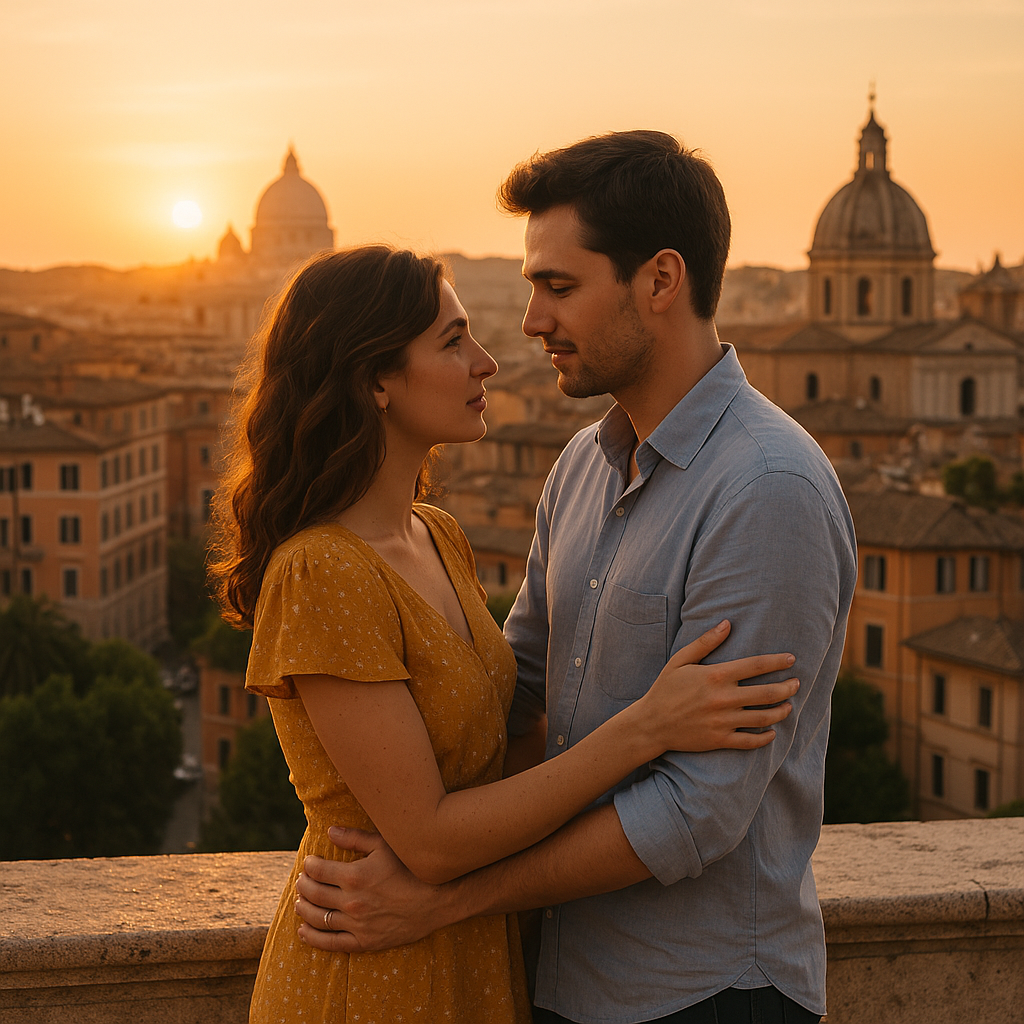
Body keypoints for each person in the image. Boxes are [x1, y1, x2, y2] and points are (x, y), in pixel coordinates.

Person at [294, 132, 858, 1024]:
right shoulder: (581, 469)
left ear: (661, 281)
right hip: (561, 978)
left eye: (558, 287)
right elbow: (513, 693)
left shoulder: (767, 491)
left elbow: (698, 812)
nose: (529, 322)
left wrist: (447, 896)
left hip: (707, 993)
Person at [208, 243, 802, 1024]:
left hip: (468, 946)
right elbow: (429, 841)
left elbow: (511, 724)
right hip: (370, 961)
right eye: (453, 342)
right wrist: (648, 727)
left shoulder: (437, 536)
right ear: (374, 381)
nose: (488, 362)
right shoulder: (323, 573)